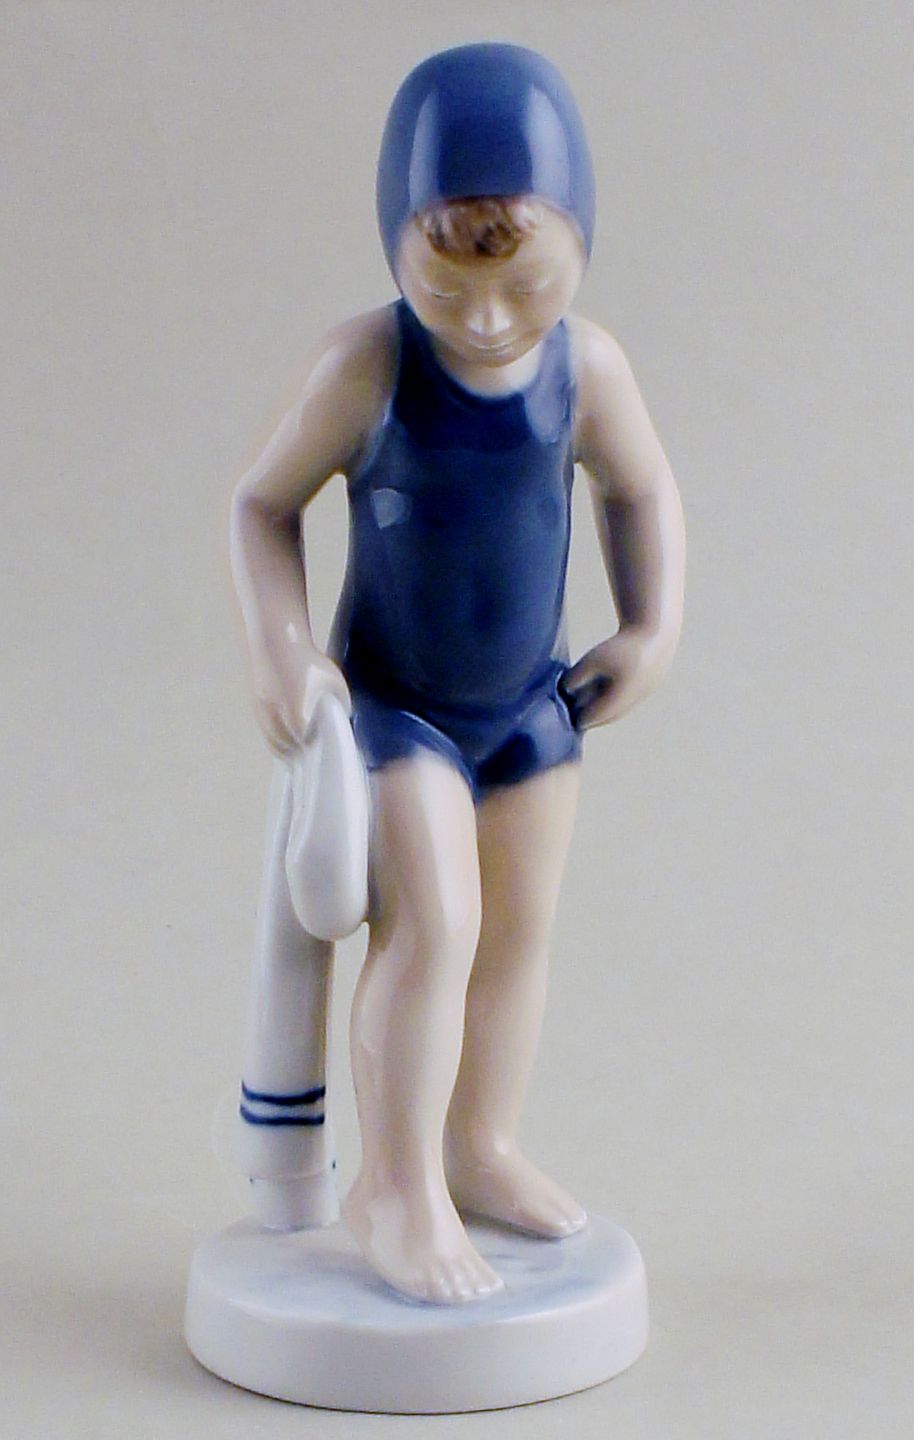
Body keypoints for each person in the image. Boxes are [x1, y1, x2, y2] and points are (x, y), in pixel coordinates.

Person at [229, 43, 685, 1304]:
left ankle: (476, 1147)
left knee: (516, 936)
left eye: (523, 284)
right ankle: (393, 1188)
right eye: (447, 284)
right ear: (395, 242)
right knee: (434, 927)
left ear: (580, 239)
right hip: (398, 711)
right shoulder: (364, 367)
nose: (484, 319)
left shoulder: (587, 369)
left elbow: (641, 487)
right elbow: (259, 504)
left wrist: (650, 627)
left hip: (531, 707)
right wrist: (281, 649)